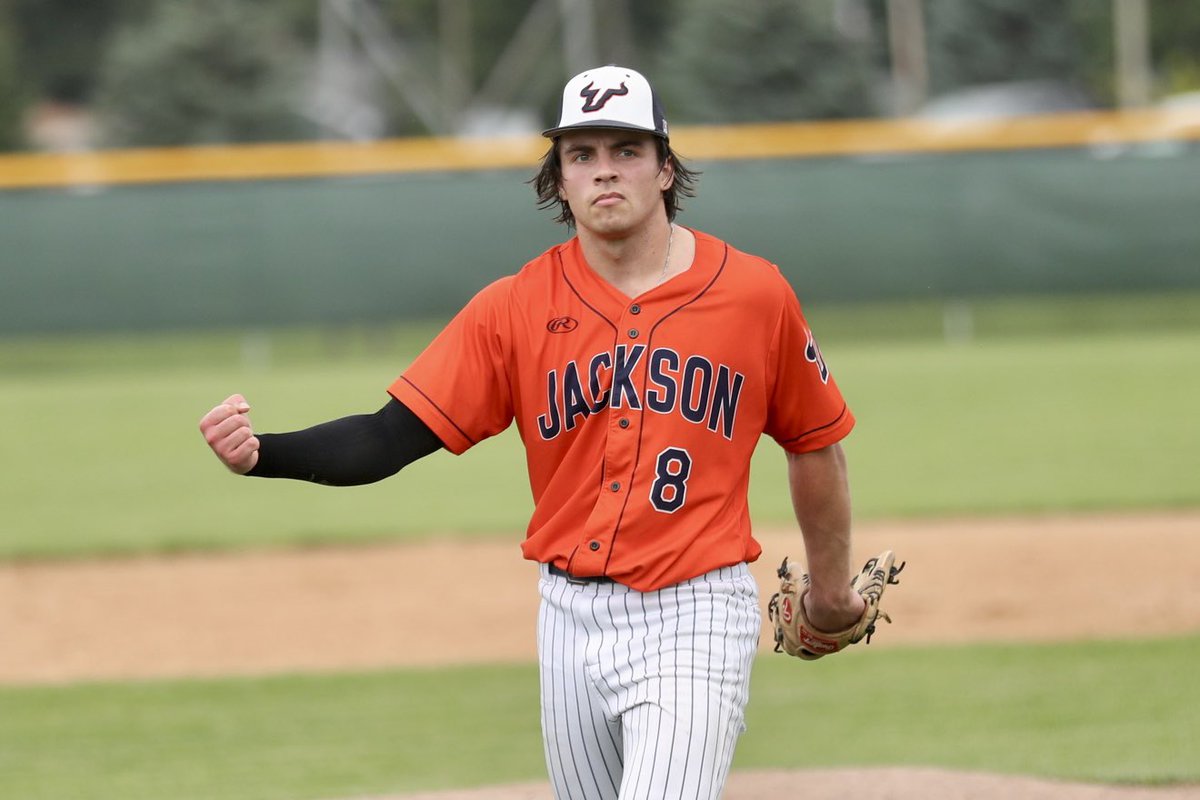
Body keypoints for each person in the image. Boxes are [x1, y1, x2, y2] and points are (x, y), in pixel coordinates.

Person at [199, 64, 864, 800]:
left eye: (627, 150)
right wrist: (265, 455)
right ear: (560, 178)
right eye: (582, 155)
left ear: (666, 168)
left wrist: (830, 593)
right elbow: (387, 437)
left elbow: (815, 440)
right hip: (567, 617)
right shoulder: (514, 306)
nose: (604, 172)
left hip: (696, 608)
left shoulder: (753, 294)